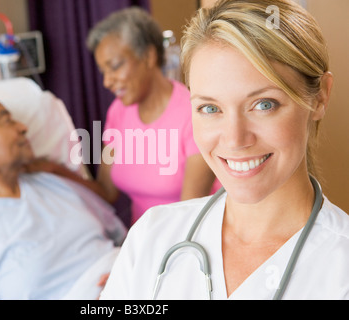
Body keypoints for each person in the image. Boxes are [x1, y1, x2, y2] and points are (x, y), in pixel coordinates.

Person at [100, 0, 349, 299]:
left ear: (319, 98)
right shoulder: (150, 238)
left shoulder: (340, 266)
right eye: (210, 108)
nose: (234, 139)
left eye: (264, 105)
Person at [0, 95, 126, 300]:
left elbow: (125, 238)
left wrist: (124, 277)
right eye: (7, 121)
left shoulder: (51, 182)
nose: (22, 127)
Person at [83, 7, 220, 224]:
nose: (107, 82)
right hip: (143, 241)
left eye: (115, 66)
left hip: (186, 240)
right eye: (103, 71)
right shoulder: (118, 112)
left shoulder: (192, 114)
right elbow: (107, 192)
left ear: (148, 56)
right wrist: (54, 170)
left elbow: (190, 215)